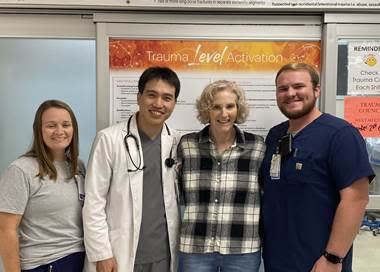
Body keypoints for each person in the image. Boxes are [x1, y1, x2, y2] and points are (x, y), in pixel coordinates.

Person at [260, 63, 375, 272]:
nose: (291, 94)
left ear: (316, 90)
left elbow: (356, 199)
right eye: (283, 89)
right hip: (277, 258)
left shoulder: (341, 135)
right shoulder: (275, 136)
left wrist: (333, 258)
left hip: (319, 261)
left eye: (298, 86)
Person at [83, 66, 181, 272]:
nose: (158, 104)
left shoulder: (176, 141)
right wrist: (101, 253)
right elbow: (93, 201)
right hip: (120, 253)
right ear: (139, 96)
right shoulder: (109, 139)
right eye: (151, 95)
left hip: (163, 254)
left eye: (167, 98)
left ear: (174, 103)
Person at [177, 80, 266, 272]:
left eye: (230, 106)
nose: (224, 114)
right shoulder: (187, 145)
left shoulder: (257, 147)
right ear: (206, 110)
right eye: (216, 107)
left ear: (238, 108)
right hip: (195, 247)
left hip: (243, 248)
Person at [0, 99, 86, 272]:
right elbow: (6, 229)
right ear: (39, 130)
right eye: (51, 125)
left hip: (79, 260)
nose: (59, 131)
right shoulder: (22, 169)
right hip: (45, 264)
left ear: (73, 129)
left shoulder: (78, 166)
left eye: (66, 125)